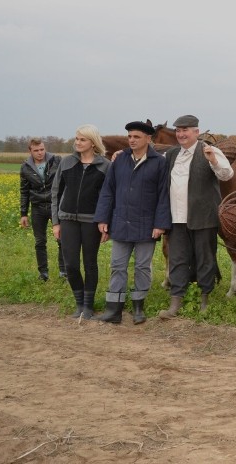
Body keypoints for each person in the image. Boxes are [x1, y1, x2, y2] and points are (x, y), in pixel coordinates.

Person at [93, 121, 171, 324]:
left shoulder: (159, 163)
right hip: (121, 223)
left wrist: (160, 224)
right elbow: (108, 191)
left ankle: (138, 308)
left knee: (142, 267)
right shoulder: (119, 160)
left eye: (136, 137)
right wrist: (103, 218)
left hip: (147, 225)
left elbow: (164, 195)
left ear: (148, 139)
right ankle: (113, 310)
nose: (132, 140)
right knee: (117, 265)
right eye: (129, 137)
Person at [158, 115, 234, 320]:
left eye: (186, 130)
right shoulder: (171, 154)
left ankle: (204, 299)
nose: (181, 134)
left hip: (203, 217)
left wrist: (214, 161)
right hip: (176, 218)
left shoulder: (208, 150)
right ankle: (176, 301)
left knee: (205, 259)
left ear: (196, 132)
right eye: (178, 130)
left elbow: (227, 174)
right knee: (177, 260)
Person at [51, 125, 110, 320]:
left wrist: (105, 222)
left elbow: (107, 197)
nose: (77, 142)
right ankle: (79, 303)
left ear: (92, 143)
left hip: (92, 222)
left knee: (90, 264)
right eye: (76, 139)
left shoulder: (105, 166)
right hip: (67, 221)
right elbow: (56, 193)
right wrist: (56, 222)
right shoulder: (66, 162)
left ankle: (89, 305)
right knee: (71, 265)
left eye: (82, 139)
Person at [20, 138, 65, 282]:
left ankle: (64, 272)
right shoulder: (25, 167)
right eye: (36, 150)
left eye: (42, 149)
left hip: (56, 206)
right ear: (30, 151)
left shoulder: (56, 161)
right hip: (37, 208)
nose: (40, 153)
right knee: (40, 242)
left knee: (62, 239)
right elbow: (24, 191)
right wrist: (23, 214)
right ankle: (43, 274)